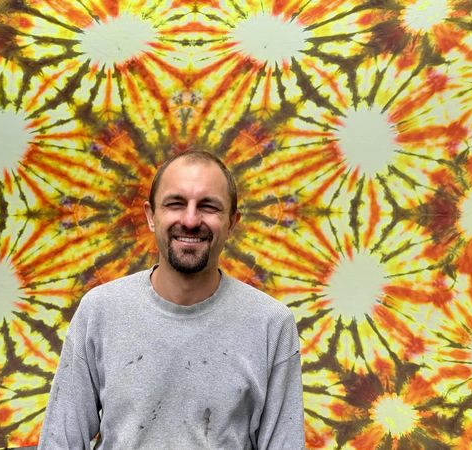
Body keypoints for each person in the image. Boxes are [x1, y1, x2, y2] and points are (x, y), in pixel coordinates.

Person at [38, 151, 305, 449]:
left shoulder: (272, 325)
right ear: (151, 216)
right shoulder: (99, 310)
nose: (190, 220)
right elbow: (59, 442)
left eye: (208, 206)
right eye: (175, 204)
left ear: (232, 222)